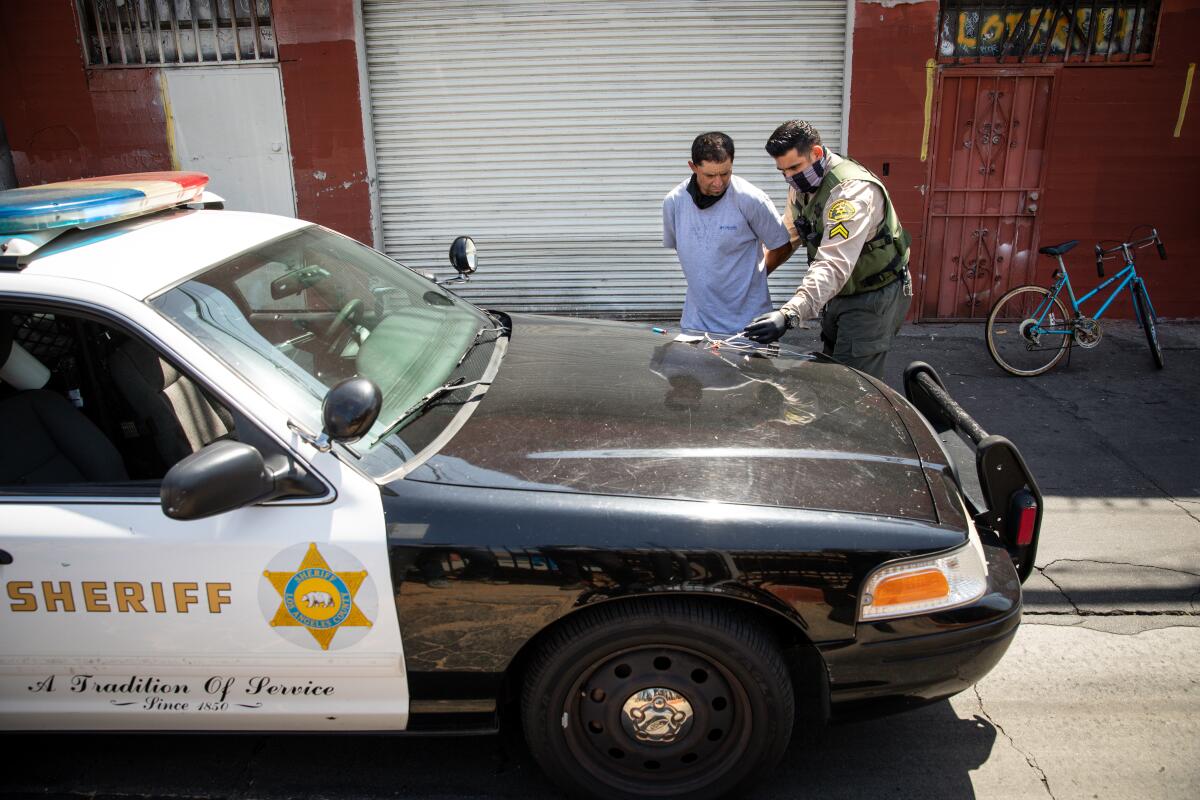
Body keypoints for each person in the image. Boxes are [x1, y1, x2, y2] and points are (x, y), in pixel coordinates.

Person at [743, 120, 912, 379]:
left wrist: (789, 314)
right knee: (830, 368)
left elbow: (833, 264)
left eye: (794, 167)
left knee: (853, 383)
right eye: (782, 171)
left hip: (872, 296)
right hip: (838, 294)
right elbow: (788, 236)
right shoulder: (803, 185)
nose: (789, 177)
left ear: (817, 153)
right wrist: (747, 278)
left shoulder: (850, 194)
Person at [662, 132, 791, 335]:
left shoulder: (751, 200)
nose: (719, 183)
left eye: (725, 173)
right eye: (710, 175)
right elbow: (685, 248)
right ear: (693, 167)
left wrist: (753, 277)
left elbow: (782, 245)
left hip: (749, 325)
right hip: (695, 324)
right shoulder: (674, 202)